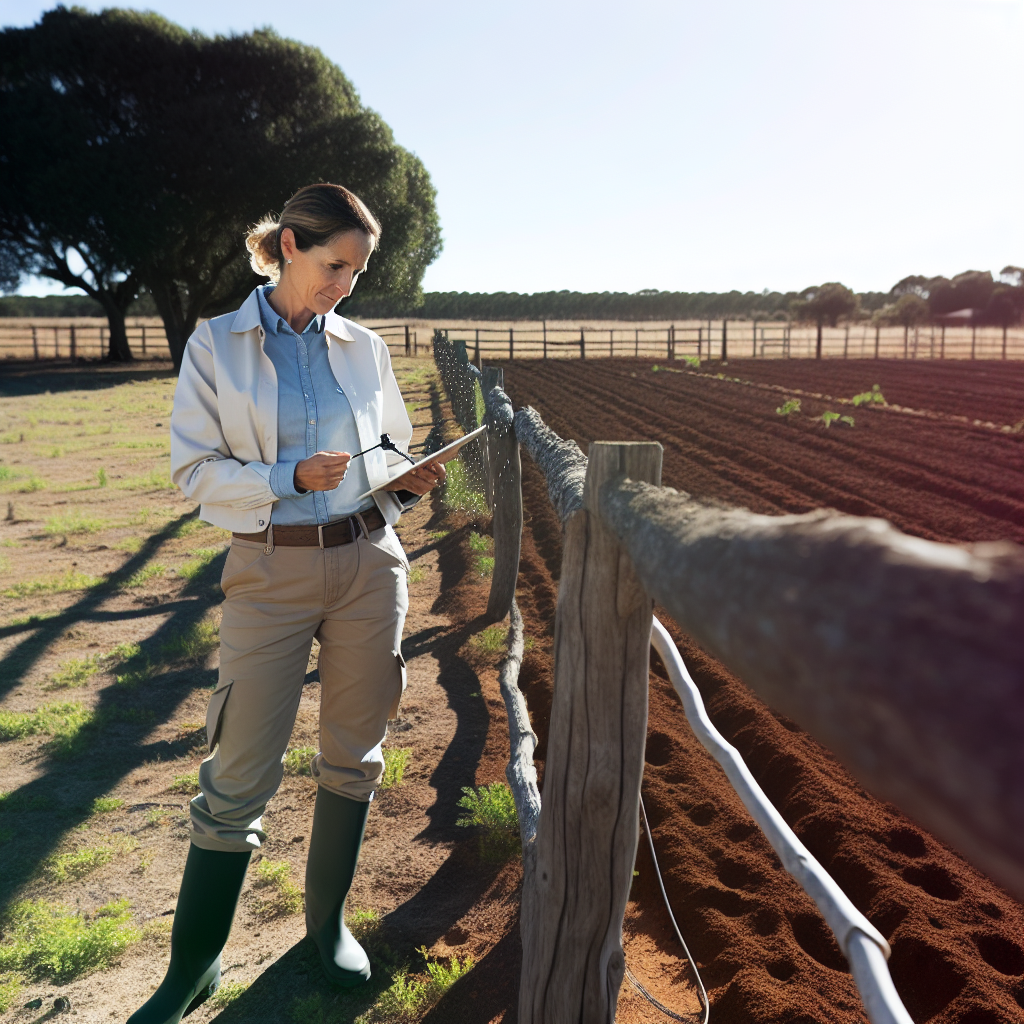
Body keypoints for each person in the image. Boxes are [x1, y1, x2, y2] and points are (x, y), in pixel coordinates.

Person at [128, 183, 445, 1024]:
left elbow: (387, 452)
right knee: (238, 770)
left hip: (370, 564)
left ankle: (326, 925)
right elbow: (192, 473)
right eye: (336, 265)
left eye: (359, 271)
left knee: (355, 750)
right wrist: (285, 478)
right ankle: (190, 968)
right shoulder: (216, 346)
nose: (347, 283)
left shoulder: (365, 348)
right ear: (290, 246)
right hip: (268, 573)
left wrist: (405, 481)